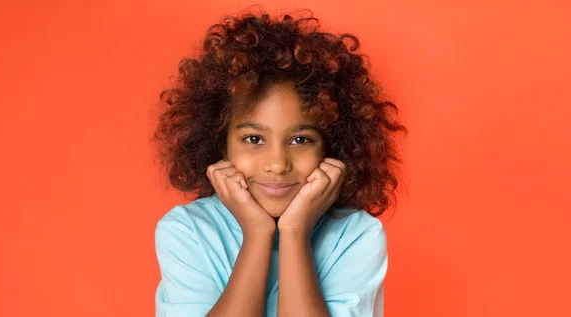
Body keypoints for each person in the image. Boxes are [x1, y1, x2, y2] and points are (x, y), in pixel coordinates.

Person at [151, 8, 407, 317]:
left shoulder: (356, 235)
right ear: (220, 145)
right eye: (254, 139)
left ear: (331, 147)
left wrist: (295, 233)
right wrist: (257, 235)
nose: (277, 164)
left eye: (300, 140)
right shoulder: (187, 231)